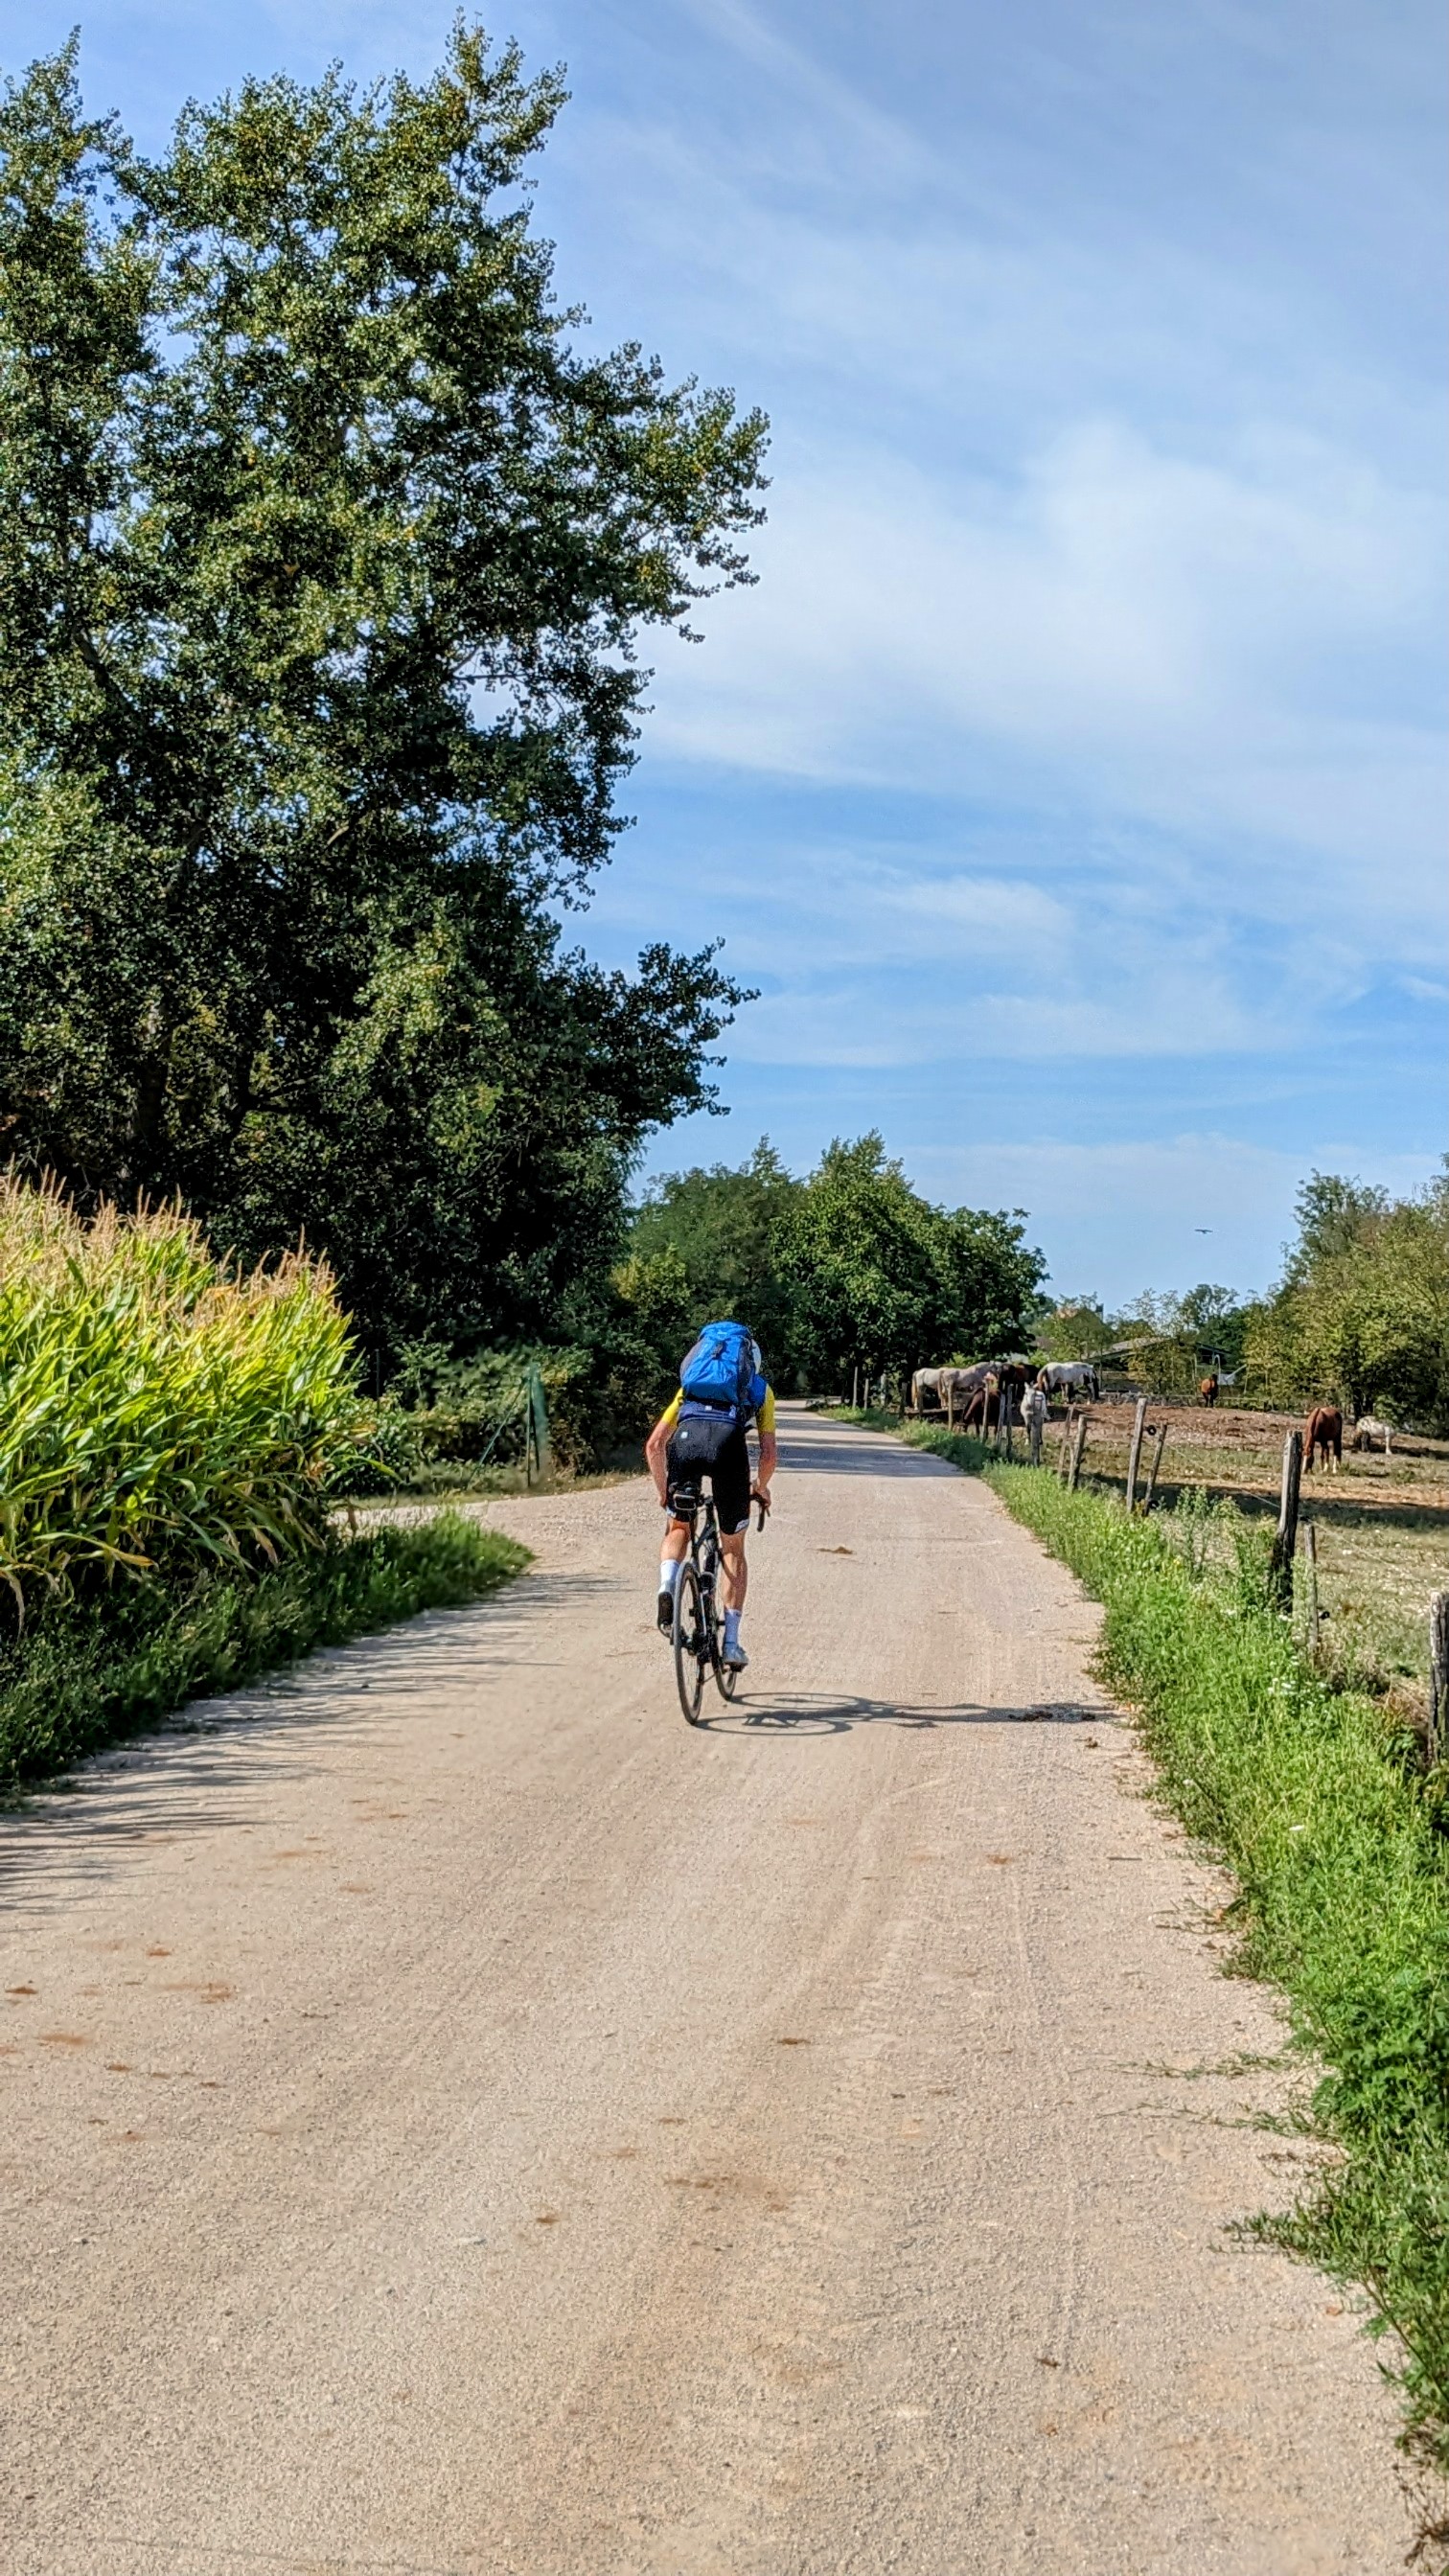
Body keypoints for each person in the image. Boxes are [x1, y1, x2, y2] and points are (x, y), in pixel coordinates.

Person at [645, 1322, 777, 1670]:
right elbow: (767, 1455)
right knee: (732, 1548)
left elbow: (655, 1444)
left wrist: (664, 1493)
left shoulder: (688, 1389)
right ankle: (731, 1643)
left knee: (678, 1528)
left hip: (685, 1445)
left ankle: (667, 1587)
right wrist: (760, 1488)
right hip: (727, 1448)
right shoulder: (760, 1390)